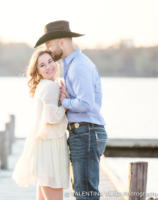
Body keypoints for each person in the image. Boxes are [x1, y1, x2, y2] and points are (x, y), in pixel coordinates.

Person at [34, 20, 108, 200]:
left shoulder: (78, 66)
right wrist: (66, 98)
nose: (49, 50)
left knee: (85, 194)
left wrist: (65, 101)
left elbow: (86, 104)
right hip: (82, 133)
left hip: (87, 132)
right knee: (82, 192)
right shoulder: (71, 64)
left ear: (61, 42)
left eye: (49, 45)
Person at [12, 49, 70, 200]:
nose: (49, 66)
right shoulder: (51, 86)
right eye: (42, 65)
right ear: (37, 70)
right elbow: (52, 116)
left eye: (50, 61)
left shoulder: (44, 84)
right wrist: (64, 101)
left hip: (43, 145)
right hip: (49, 148)